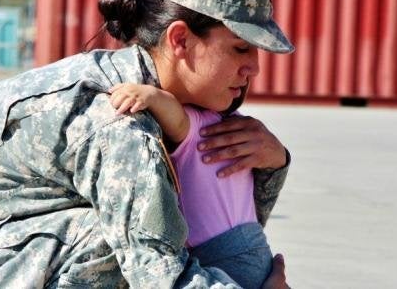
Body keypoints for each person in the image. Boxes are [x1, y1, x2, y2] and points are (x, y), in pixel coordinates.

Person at [0, 0, 294, 288]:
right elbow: (159, 275)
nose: (254, 67)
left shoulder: (173, 105)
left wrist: (273, 163)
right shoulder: (119, 119)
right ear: (180, 40)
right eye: (241, 48)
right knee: (111, 241)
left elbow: (223, 228)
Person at [109, 81, 279, 288]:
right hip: (253, 250)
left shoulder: (202, 125)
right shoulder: (235, 127)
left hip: (224, 256)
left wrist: (150, 95)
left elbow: (176, 116)